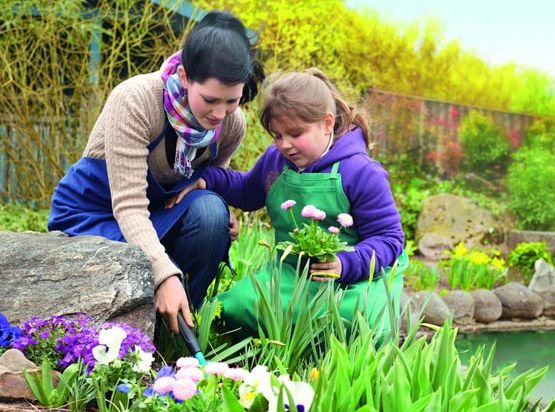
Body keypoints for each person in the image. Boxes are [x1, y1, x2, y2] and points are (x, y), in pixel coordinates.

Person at [48, 11, 263, 333]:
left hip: (159, 216)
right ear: (186, 76)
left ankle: (172, 336)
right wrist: (163, 273)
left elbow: (210, 183)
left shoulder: (232, 124)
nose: (220, 113)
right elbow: (129, 205)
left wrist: (222, 211)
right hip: (96, 212)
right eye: (210, 100)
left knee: (210, 213)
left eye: (231, 101)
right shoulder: (137, 100)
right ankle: (126, 339)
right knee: (193, 228)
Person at [193, 68, 407, 338]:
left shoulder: (362, 172)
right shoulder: (276, 159)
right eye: (277, 135)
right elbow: (247, 190)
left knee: (358, 325)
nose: (285, 145)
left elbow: (389, 239)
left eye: (295, 134)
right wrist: (205, 179)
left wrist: (344, 264)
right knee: (232, 307)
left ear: (327, 123)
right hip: (291, 275)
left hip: (354, 280)